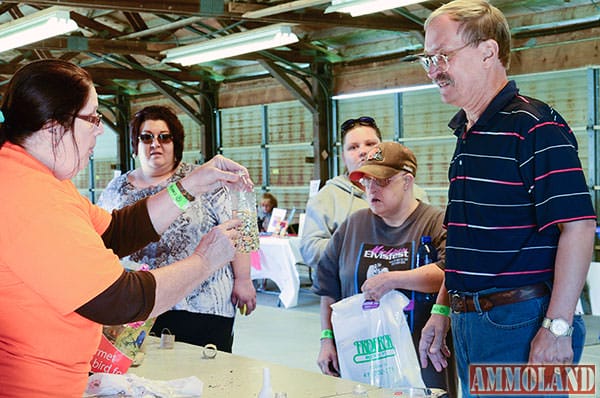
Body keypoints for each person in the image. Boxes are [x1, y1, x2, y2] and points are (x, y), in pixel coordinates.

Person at [0, 60, 252, 398]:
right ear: (53, 125)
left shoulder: (39, 178)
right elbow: (117, 299)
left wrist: (190, 185)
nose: (100, 130)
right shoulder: (30, 197)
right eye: (92, 118)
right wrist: (205, 261)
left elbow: (115, 232)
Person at [416, 2, 597, 397]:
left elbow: (579, 227)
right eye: (428, 59)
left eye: (443, 55)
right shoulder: (468, 131)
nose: (434, 70)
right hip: (473, 322)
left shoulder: (534, 126)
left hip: (520, 323)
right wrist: (443, 309)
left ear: (488, 51)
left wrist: (557, 327)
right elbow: (468, 242)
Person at [97, 105, 256, 352]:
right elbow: (103, 240)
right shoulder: (117, 188)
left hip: (202, 304)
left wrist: (244, 279)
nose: (155, 144)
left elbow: (241, 226)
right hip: (140, 305)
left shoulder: (205, 178)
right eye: (146, 137)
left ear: (176, 143)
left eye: (164, 137)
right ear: (135, 143)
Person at [314, 142, 451, 392]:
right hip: (362, 359)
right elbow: (328, 286)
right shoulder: (353, 226)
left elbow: (450, 273)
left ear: (407, 181)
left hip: (422, 359)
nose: (371, 188)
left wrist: (392, 279)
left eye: (382, 181)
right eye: (366, 181)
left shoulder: (435, 222)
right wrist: (327, 339)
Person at [300, 116, 429, 271]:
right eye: (353, 147)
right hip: (346, 292)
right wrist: (360, 250)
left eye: (370, 144)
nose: (363, 151)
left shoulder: (414, 193)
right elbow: (309, 249)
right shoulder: (326, 197)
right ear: (343, 157)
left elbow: (429, 241)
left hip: (408, 289)